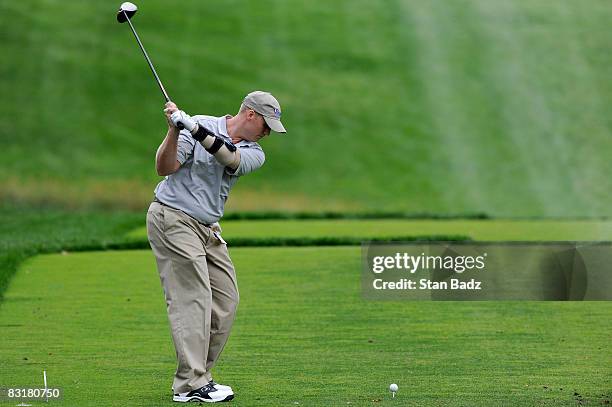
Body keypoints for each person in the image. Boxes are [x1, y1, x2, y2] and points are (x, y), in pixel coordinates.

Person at [146, 91, 286, 403]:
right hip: (173, 218)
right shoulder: (196, 125)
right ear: (250, 114)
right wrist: (173, 130)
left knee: (226, 300)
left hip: (208, 228)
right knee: (194, 298)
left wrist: (193, 129)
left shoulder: (254, 152)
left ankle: (197, 377)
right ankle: (192, 384)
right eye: (266, 124)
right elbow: (164, 168)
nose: (267, 132)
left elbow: (229, 157)